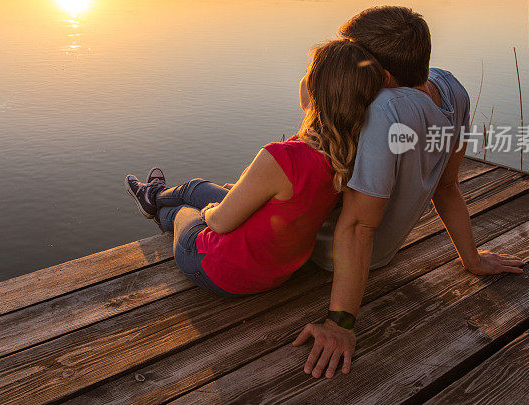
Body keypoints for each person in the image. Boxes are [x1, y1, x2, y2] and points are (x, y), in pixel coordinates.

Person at [293, 6, 526, 379]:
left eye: (352, 59)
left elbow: (356, 226)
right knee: (220, 193)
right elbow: (447, 186)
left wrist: (340, 324)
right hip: (381, 255)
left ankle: (169, 198)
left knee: (206, 209)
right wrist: (472, 257)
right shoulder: (452, 90)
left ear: (383, 77)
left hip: (322, 251)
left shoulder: (383, 110)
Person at [125, 39, 383, 298]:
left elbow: (220, 223)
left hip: (218, 269)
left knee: (181, 209)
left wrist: (210, 212)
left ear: (314, 89)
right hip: (277, 270)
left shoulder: (282, 157)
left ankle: (155, 204)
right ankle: (153, 194)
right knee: (195, 186)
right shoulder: (347, 155)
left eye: (308, 72)